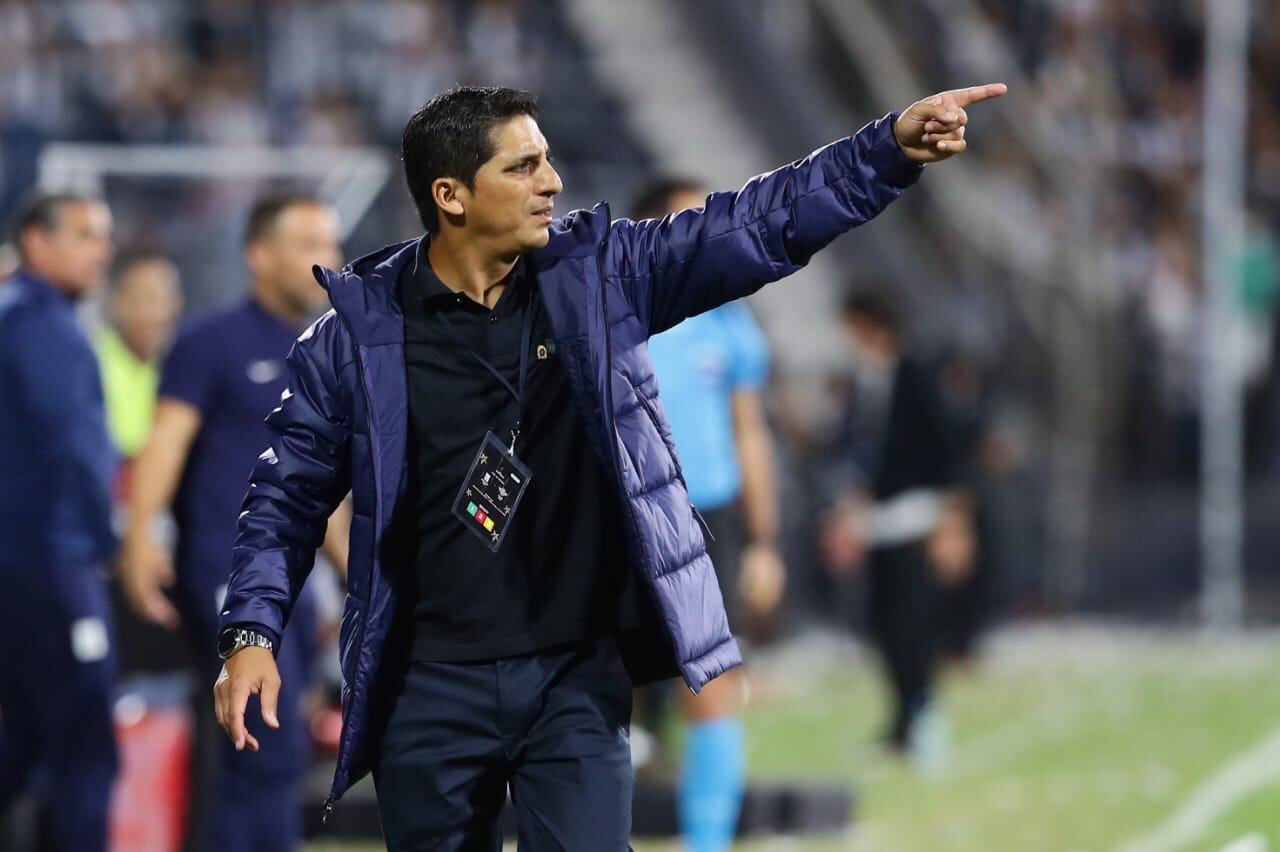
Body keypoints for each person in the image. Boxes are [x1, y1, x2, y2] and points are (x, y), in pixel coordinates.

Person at [212, 83, 1005, 849]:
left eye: (547, 160)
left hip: (575, 679)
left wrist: (887, 150)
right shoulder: (356, 334)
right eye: (522, 167)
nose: (552, 182)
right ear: (451, 195)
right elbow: (285, 493)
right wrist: (251, 629)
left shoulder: (602, 278)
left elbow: (755, 225)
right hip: (428, 684)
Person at [119, 192, 351, 851]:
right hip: (227, 573)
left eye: (329, 245)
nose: (326, 261)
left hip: (297, 586)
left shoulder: (324, 350)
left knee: (271, 755)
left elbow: (322, 485)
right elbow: (164, 445)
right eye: (308, 245)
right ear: (259, 255)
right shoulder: (209, 342)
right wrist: (140, 541)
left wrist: (356, 571)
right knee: (263, 744)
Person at [634, 177, 784, 852]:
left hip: (706, 522)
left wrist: (764, 540)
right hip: (625, 514)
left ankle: (707, 843)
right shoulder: (614, 306)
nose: (710, 229)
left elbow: (749, 431)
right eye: (690, 218)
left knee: (714, 688)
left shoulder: (731, 318)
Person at [0, 191, 117, 851]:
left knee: (28, 738)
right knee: (86, 749)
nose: (102, 249)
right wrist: (108, 540)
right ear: (36, 242)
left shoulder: (16, 315)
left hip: (22, 560)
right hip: (53, 558)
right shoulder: (42, 325)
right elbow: (71, 449)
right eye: (85, 234)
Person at [822, 288, 976, 770]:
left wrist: (954, 521)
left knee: (915, 626)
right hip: (877, 525)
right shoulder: (862, 384)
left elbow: (944, 446)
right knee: (884, 626)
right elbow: (857, 455)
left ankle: (925, 714)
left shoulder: (915, 375)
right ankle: (900, 720)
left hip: (916, 517)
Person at [96, 250, 184, 462]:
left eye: (164, 299)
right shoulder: (91, 364)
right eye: (143, 298)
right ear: (115, 302)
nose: (155, 313)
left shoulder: (184, 367)